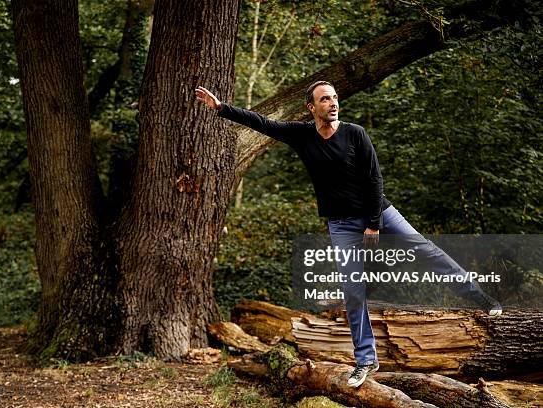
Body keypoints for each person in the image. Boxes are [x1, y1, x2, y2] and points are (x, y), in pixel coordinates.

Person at [195, 81, 502, 388]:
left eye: (334, 98)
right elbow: (262, 123)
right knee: (353, 291)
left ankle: (481, 299)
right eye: (324, 99)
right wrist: (221, 108)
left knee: (427, 252)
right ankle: (366, 359)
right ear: (311, 108)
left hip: (379, 213)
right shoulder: (302, 135)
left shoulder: (355, 133)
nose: (332, 103)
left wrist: (373, 224)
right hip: (341, 225)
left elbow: (374, 179)